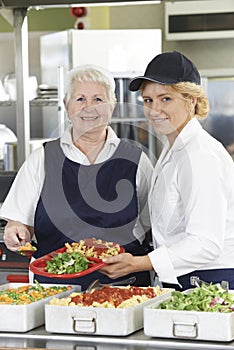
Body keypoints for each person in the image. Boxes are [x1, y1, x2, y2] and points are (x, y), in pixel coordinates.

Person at [0, 64, 153, 290]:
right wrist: (16, 231)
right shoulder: (41, 158)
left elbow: (155, 226)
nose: (88, 107)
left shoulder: (137, 160)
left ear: (113, 105)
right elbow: (20, 222)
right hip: (55, 291)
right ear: (66, 105)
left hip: (124, 290)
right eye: (80, 99)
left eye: (98, 99)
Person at [99, 51, 234, 291]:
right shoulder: (174, 149)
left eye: (165, 99)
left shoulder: (200, 156)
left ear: (191, 100)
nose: (154, 110)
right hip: (185, 278)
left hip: (209, 281)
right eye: (148, 100)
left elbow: (205, 243)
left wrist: (140, 263)